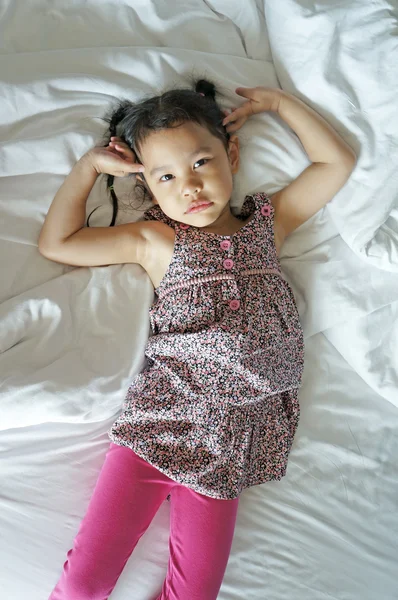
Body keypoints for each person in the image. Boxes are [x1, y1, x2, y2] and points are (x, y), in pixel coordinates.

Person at [39, 78, 356, 600]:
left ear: (231, 152)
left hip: (231, 440)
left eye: (201, 163)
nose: (189, 187)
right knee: (82, 585)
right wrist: (89, 169)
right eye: (166, 176)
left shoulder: (265, 228)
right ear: (149, 187)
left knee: (194, 595)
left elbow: (334, 165)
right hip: (160, 422)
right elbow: (59, 243)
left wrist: (279, 103)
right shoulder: (156, 240)